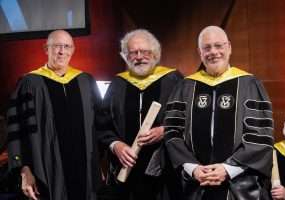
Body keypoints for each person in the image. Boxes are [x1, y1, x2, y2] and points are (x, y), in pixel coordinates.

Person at [164, 25, 274, 199]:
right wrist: (193, 168)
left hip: (239, 185)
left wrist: (228, 169)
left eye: (218, 46)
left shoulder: (248, 84)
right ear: (200, 52)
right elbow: (172, 131)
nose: (213, 52)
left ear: (229, 47)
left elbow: (260, 135)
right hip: (196, 183)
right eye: (207, 48)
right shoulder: (187, 86)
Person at [7, 30, 101, 200]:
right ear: (46, 49)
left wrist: (97, 164)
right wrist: (24, 171)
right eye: (56, 46)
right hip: (47, 173)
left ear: (72, 50)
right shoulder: (30, 83)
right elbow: (17, 131)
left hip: (85, 174)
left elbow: (100, 125)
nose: (62, 51)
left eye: (66, 46)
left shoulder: (86, 81)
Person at [99, 29, 183, 200]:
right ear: (126, 56)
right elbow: (103, 124)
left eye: (145, 51)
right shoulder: (118, 84)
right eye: (133, 52)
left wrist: (165, 130)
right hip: (126, 171)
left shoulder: (173, 79)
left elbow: (188, 118)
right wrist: (116, 145)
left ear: (155, 54)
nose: (139, 57)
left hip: (163, 171)